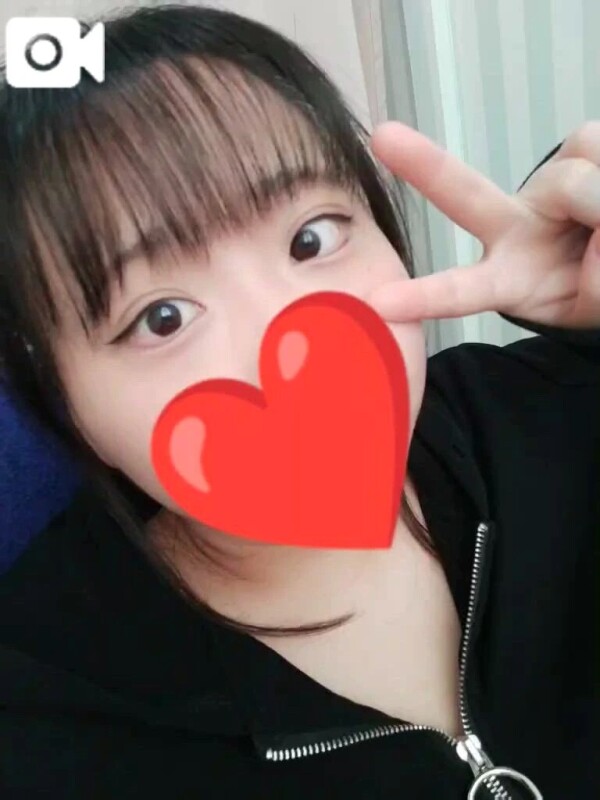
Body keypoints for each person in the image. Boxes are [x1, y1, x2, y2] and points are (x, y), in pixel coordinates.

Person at [0, 5, 598, 799]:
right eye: (161, 318)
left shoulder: (544, 411)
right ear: (60, 403)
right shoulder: (46, 719)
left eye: (312, 238)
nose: (284, 337)